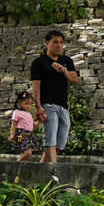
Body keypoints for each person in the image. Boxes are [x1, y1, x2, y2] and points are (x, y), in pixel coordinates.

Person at [30, 29, 79, 164]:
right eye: (55, 42)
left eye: (61, 43)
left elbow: (74, 80)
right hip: (48, 105)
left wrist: (64, 71)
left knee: (59, 144)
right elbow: (36, 85)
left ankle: (40, 170)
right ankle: (54, 172)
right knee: (50, 141)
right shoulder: (39, 62)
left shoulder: (66, 61)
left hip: (63, 106)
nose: (59, 45)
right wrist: (38, 107)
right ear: (47, 43)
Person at [10, 90, 44, 163]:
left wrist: (40, 121)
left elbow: (33, 126)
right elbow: (14, 124)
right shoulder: (17, 112)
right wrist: (12, 134)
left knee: (24, 152)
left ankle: (19, 165)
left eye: (30, 104)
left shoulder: (29, 114)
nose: (28, 106)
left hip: (29, 134)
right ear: (19, 102)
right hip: (21, 135)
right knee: (27, 152)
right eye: (26, 103)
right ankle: (16, 163)